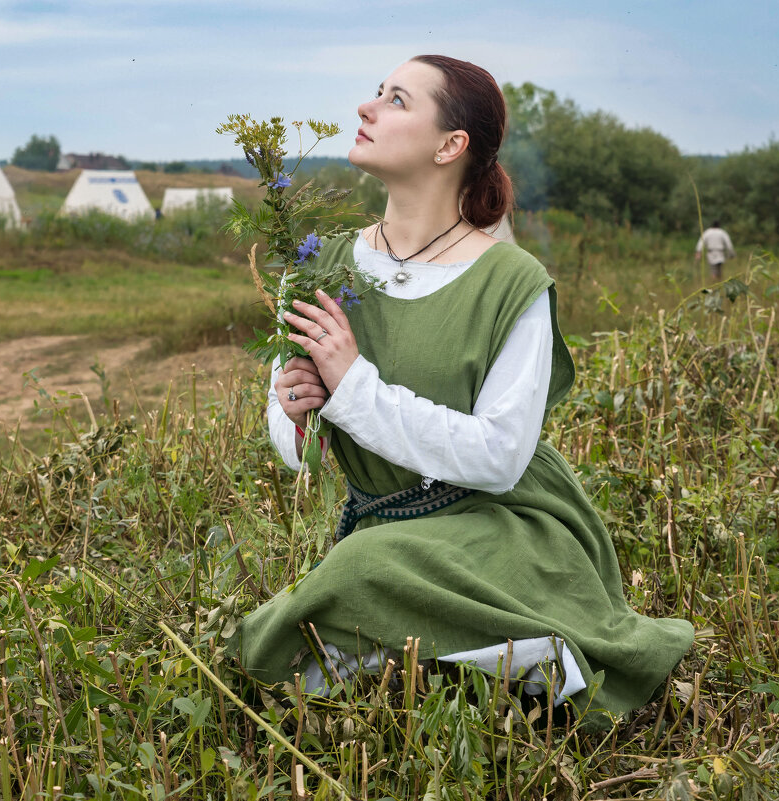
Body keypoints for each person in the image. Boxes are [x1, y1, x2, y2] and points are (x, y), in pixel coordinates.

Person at [234, 55, 694, 719]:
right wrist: (295, 408)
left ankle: (536, 662)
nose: (367, 109)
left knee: (352, 579)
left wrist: (353, 383)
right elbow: (293, 448)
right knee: (323, 605)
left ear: (450, 145)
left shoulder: (511, 282)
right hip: (385, 529)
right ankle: (463, 672)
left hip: (502, 524)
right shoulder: (317, 267)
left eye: (396, 100)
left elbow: (501, 459)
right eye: (375, 94)